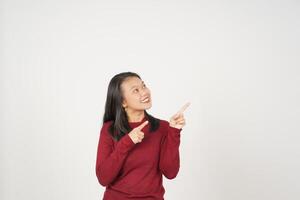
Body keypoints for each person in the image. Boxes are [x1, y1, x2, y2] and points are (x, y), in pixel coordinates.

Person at [95, 72, 190, 200]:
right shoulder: (110, 129)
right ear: (123, 102)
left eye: (144, 86)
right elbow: (103, 178)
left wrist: (174, 132)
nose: (144, 92)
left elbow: (170, 173)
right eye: (136, 90)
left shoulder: (162, 127)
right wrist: (127, 142)